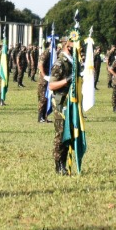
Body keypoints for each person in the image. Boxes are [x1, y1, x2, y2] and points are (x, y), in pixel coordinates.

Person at [45, 33, 76, 174]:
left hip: (71, 101)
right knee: (61, 134)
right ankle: (59, 165)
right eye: (73, 43)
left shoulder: (72, 61)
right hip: (60, 102)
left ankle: (65, 162)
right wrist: (66, 81)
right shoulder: (60, 63)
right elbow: (51, 86)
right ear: (66, 45)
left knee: (70, 132)